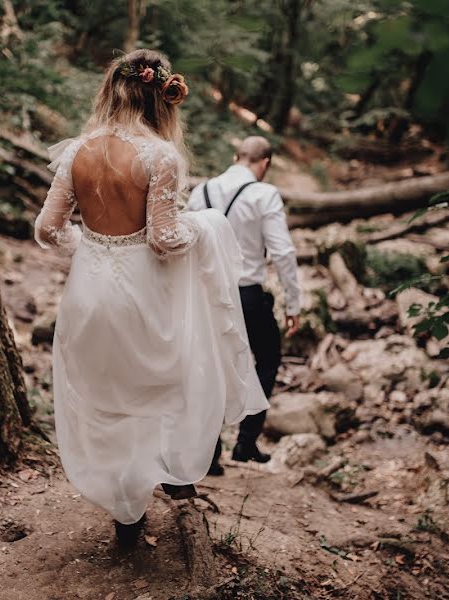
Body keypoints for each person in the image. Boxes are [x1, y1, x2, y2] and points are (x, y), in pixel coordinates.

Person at [33, 49, 268, 547]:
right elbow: (164, 238)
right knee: (163, 386)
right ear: (160, 97)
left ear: (110, 90)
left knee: (107, 398)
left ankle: (126, 518)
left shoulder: (76, 152)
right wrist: (206, 227)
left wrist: (93, 248)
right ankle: (172, 480)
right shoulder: (159, 156)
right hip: (142, 293)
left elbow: (48, 228)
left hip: (88, 292)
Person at [187, 136, 301, 473]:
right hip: (247, 294)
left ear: (236, 156)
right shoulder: (264, 194)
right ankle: (246, 442)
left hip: (206, 293)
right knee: (266, 359)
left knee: (207, 365)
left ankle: (209, 454)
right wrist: (293, 303)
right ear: (264, 163)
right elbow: (282, 252)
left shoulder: (200, 192)